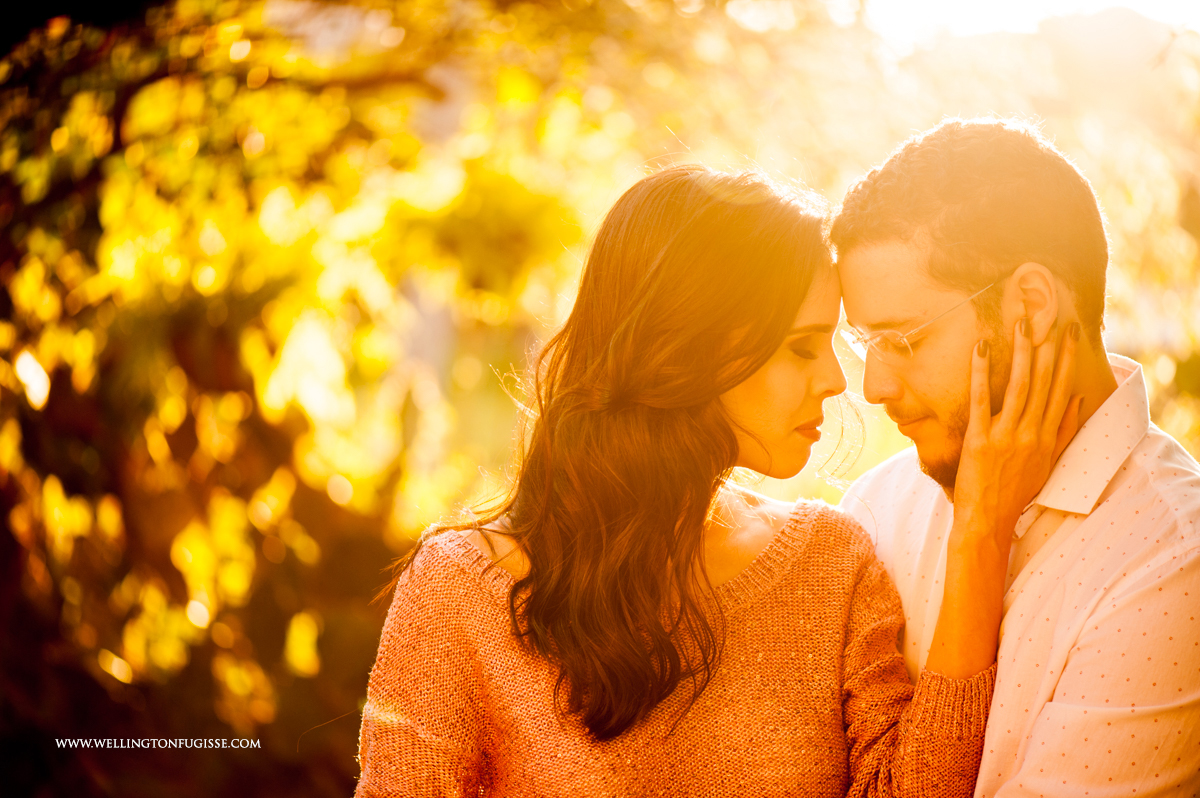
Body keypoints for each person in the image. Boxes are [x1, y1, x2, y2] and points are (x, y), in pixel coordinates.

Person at [354, 165, 1075, 797]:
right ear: (688, 350)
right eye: (801, 348)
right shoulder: (459, 591)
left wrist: (982, 531)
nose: (837, 381)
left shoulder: (834, 562)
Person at [833, 117, 1200, 797]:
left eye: (903, 340)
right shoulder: (875, 508)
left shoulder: (1175, 559)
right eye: (864, 344)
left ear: (1030, 306)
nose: (875, 387)